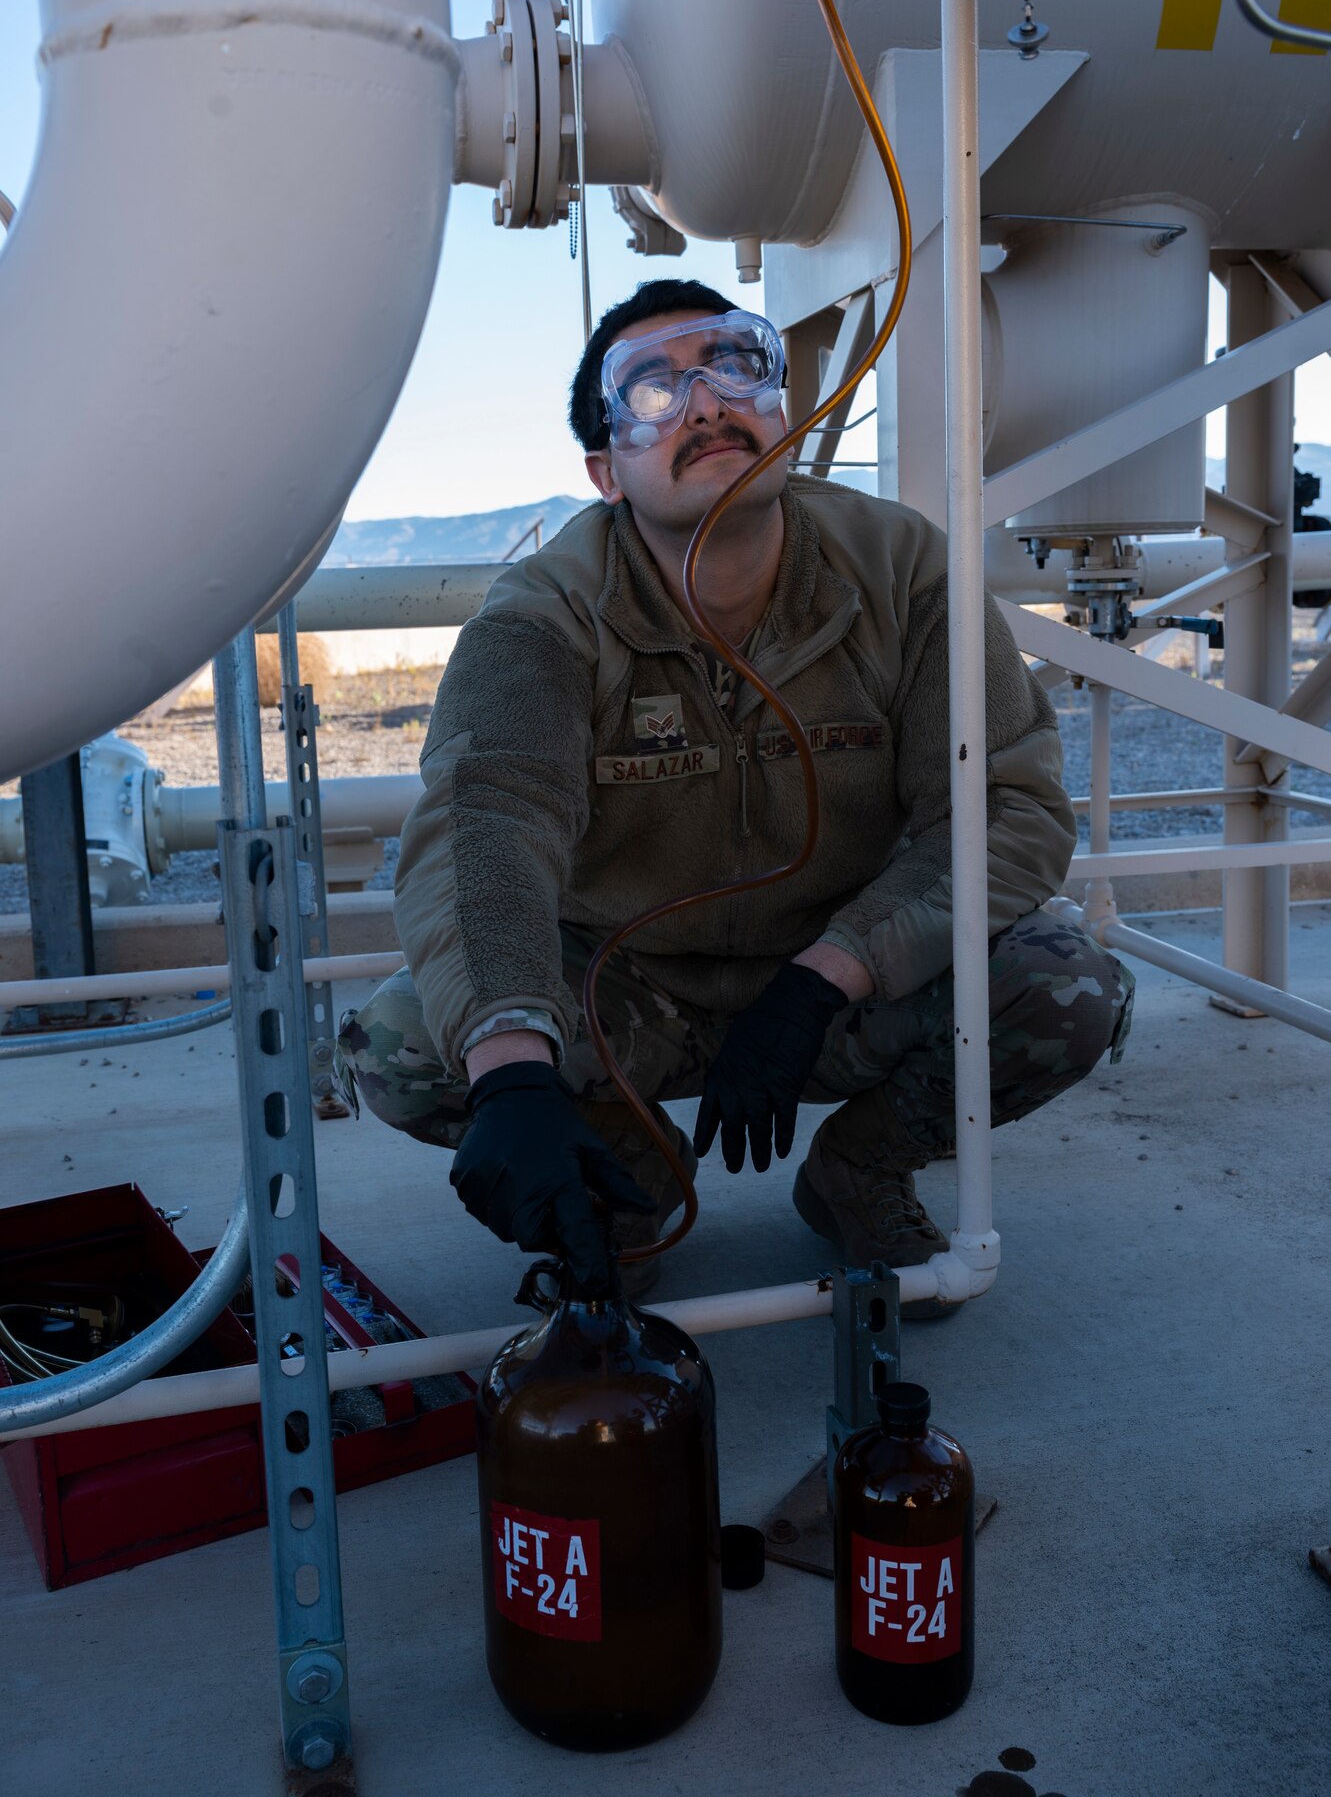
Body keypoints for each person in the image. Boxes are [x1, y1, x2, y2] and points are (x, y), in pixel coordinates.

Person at [337, 278, 1132, 1315]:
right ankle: (627, 1182)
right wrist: (513, 1075)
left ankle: (860, 1169)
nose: (705, 401)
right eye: (653, 389)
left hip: (843, 978)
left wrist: (827, 974)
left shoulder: (901, 571)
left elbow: (1004, 807)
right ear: (605, 470)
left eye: (734, 364)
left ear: (784, 412)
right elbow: (487, 824)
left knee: (1065, 986)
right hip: (627, 988)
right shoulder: (543, 613)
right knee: (404, 1046)